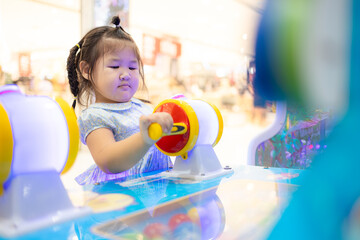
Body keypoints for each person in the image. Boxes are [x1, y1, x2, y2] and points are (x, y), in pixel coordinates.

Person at [66, 16, 173, 185]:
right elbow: (109, 161)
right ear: (86, 70)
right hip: (122, 198)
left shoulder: (143, 107)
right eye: (114, 67)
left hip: (158, 189)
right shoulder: (94, 116)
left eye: (132, 67)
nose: (126, 74)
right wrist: (145, 138)